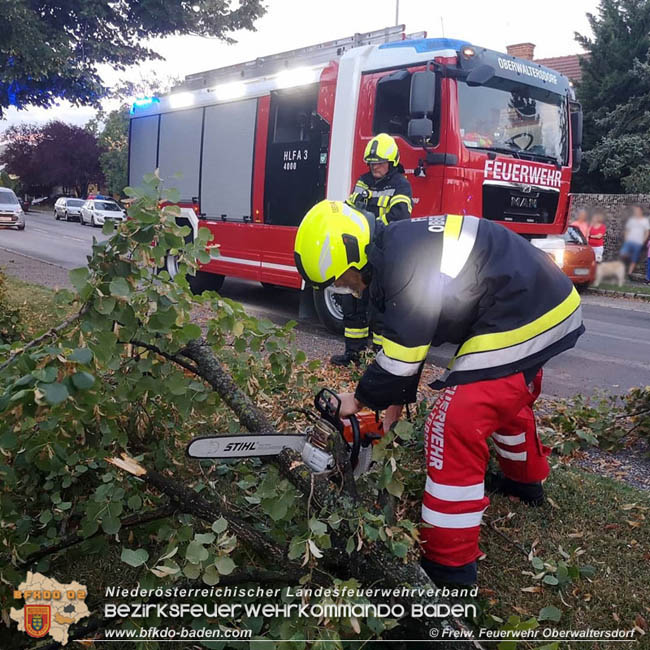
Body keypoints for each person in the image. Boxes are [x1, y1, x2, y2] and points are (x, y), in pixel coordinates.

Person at [294, 201, 585, 585]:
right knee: (499, 397)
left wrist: (358, 400)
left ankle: (450, 569)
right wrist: (392, 406)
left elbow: (403, 353)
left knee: (453, 422)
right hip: (531, 300)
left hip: (529, 308)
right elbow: (403, 342)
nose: (345, 289)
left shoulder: (404, 261)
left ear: (353, 256)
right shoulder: (393, 251)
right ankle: (524, 481)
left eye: (343, 280)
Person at [329, 133, 413, 367]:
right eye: (372, 163)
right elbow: (349, 209)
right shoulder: (363, 181)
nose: (375, 168)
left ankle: (379, 358)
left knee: (378, 310)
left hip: (382, 255)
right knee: (351, 302)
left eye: (380, 164)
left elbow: (400, 217)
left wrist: (369, 223)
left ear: (392, 162)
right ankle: (353, 354)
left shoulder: (400, 185)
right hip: (357, 254)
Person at [620, 205, 650, 278]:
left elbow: (647, 231)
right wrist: (626, 239)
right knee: (623, 255)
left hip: (638, 242)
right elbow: (627, 229)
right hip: (629, 241)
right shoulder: (632, 220)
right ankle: (621, 271)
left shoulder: (645, 221)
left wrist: (643, 241)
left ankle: (629, 274)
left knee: (634, 258)